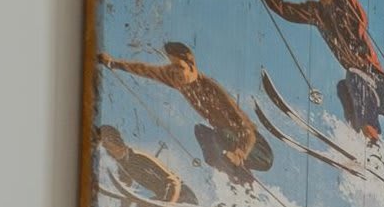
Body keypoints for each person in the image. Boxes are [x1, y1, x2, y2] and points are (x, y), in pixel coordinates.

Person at [238, 0, 384, 144]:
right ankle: (359, 141)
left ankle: (373, 142)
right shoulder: (316, 12)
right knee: (343, 88)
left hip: (381, 86)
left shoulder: (345, 5)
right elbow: (281, 8)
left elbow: (361, 16)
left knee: (353, 77)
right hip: (361, 86)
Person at [97, 42, 273, 186]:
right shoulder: (176, 78)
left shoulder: (212, 90)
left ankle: (247, 188)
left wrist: (240, 152)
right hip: (226, 140)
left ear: (191, 66)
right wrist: (114, 64)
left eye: (179, 67)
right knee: (202, 133)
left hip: (257, 149)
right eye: (172, 65)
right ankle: (235, 184)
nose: (174, 71)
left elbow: (247, 128)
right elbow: (144, 69)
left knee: (221, 135)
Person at [94, 123, 189, 207]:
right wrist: (125, 206)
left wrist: (167, 203)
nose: (107, 148)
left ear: (116, 141)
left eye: (107, 143)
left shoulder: (139, 157)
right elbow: (126, 187)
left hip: (183, 196)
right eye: (104, 145)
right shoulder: (123, 164)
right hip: (164, 199)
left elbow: (173, 180)